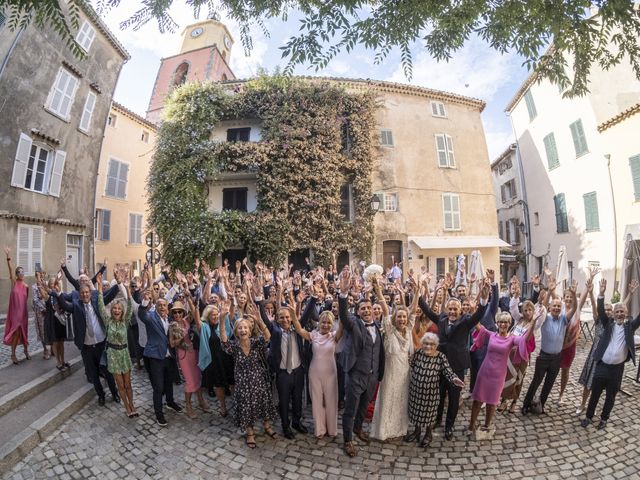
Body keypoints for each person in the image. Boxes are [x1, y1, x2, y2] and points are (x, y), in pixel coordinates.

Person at [418, 276, 490, 440]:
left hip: (457, 366)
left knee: (454, 398)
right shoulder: (442, 319)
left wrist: (484, 299)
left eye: (454, 309)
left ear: (460, 311)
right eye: (450, 308)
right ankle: (437, 420)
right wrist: (418, 293)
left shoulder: (465, 321)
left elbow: (478, 314)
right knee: (439, 395)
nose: (451, 311)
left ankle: (449, 426)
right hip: (440, 364)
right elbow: (428, 311)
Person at [53, 272, 122, 406]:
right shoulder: (76, 305)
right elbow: (65, 306)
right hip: (87, 347)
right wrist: (59, 293)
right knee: (94, 375)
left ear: (90, 293)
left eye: (87, 292)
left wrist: (119, 283)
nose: (85, 294)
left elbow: (109, 295)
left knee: (108, 372)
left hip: (102, 344)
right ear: (79, 294)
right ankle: (101, 395)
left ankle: (115, 394)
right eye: (82, 293)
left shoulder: (97, 301)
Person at [338, 267, 385, 457]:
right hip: (356, 374)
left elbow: (379, 351)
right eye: (362, 308)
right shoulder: (353, 324)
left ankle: (358, 429)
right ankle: (348, 440)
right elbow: (342, 314)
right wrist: (343, 293)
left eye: (369, 308)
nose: (366, 311)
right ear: (358, 312)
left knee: (364, 407)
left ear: (374, 312)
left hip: (372, 375)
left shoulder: (378, 326)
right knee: (351, 409)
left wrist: (379, 373)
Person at [581, 279, 640, 430]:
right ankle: (588, 416)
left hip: (617, 370)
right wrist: (601, 293)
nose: (620, 313)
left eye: (622, 311)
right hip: (602, 366)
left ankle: (604, 419)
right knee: (595, 394)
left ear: (626, 314)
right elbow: (600, 310)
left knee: (611, 396)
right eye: (617, 312)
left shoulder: (630, 326)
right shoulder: (608, 324)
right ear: (613, 314)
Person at [220, 302, 278, 449]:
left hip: (258, 379)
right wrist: (222, 320)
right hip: (242, 381)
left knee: (263, 402)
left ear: (250, 330)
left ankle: (266, 425)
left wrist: (259, 320)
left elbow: (268, 336)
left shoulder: (255, 342)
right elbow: (224, 341)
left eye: (245, 327)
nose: (243, 330)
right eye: (240, 328)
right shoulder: (234, 346)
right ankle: (250, 432)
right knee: (246, 405)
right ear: (236, 331)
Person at [468, 312, 534, 437]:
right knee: (477, 400)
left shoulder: (512, 339)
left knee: (492, 402)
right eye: (500, 322)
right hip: (485, 372)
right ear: (497, 323)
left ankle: (487, 425)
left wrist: (534, 322)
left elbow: (525, 339)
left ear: (510, 324)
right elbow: (478, 326)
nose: (503, 324)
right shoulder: (491, 334)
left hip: (498, 376)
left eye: (506, 322)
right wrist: (474, 310)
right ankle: (471, 425)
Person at [370, 277, 417, 441]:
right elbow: (384, 308)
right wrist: (378, 291)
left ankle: (399, 429)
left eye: (404, 317)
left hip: (405, 371)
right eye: (399, 317)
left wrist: (417, 292)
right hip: (390, 371)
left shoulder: (409, 329)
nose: (402, 319)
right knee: (388, 399)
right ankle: (385, 431)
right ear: (394, 318)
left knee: (401, 400)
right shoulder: (389, 330)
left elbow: (414, 309)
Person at [521, 278, 577, 415]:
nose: (557, 308)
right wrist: (550, 291)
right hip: (544, 356)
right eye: (555, 306)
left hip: (557, 358)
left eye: (559, 306)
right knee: (536, 381)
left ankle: (541, 404)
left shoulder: (564, 319)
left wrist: (574, 295)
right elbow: (543, 308)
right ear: (551, 308)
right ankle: (526, 404)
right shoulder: (545, 318)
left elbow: (575, 308)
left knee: (549, 384)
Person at [264, 292, 314, 439]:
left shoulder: (298, 330)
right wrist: (260, 300)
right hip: (283, 373)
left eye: (287, 317)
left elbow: (306, 314)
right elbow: (266, 322)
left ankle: (296, 422)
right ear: (277, 320)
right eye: (282, 317)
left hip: (298, 371)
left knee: (297, 399)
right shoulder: (275, 331)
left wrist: (312, 298)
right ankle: (286, 426)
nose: (285, 320)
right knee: (284, 401)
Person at [405, 332, 463, 447]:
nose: (428, 346)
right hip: (415, 391)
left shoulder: (440, 357)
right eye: (425, 344)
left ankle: (428, 434)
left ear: (436, 345)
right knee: (416, 412)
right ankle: (417, 432)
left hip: (431, 394)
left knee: (429, 415)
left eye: (431, 344)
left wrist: (454, 378)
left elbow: (448, 371)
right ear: (422, 344)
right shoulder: (418, 353)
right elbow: (410, 364)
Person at [291, 305, 341, 438]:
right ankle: (319, 430)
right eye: (323, 322)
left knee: (331, 401)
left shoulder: (334, 336)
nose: (325, 325)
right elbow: (298, 329)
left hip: (331, 372)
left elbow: (343, 325)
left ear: (332, 324)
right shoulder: (313, 335)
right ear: (319, 322)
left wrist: (342, 304)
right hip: (314, 373)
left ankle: (332, 430)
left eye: (329, 322)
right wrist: (292, 312)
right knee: (317, 401)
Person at [138, 291, 183, 426]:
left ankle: (170, 402)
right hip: (156, 357)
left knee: (169, 382)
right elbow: (141, 314)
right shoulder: (151, 317)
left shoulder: (169, 319)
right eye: (160, 305)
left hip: (169, 357)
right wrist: (145, 302)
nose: (163, 307)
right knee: (158, 387)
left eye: (164, 305)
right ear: (155, 307)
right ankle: (159, 414)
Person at [96, 273, 137, 417]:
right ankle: (127, 408)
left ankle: (132, 405)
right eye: (115, 309)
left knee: (128, 384)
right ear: (112, 311)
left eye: (119, 309)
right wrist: (100, 287)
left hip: (124, 354)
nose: (117, 310)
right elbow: (101, 306)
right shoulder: (108, 322)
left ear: (122, 311)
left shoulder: (125, 322)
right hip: (113, 355)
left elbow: (131, 305)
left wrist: (126, 288)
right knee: (120, 385)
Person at [498, 298, 545, 413]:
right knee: (507, 377)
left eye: (530, 310)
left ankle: (514, 402)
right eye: (525, 310)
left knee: (518, 378)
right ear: (522, 311)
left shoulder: (534, 324)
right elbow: (512, 308)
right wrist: (515, 295)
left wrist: (545, 299)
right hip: (510, 355)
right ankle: (504, 400)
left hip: (522, 356)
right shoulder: (519, 320)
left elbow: (541, 316)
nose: (528, 312)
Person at [170, 293, 209, 419]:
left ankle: (201, 401)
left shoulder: (186, 321)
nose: (177, 315)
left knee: (197, 378)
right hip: (183, 355)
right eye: (175, 313)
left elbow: (194, 312)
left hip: (194, 353)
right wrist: (180, 339)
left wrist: (188, 298)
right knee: (190, 381)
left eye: (179, 312)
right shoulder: (172, 326)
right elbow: (172, 343)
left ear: (182, 312)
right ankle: (188, 406)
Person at [199, 304, 234, 417]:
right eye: (212, 315)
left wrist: (230, 305)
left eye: (216, 314)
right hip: (215, 361)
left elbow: (228, 334)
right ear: (208, 316)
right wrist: (194, 307)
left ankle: (237, 404)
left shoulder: (224, 323)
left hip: (227, 359)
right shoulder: (205, 327)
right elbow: (198, 321)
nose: (215, 317)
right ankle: (223, 407)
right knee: (218, 385)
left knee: (232, 383)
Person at [3, 247, 30, 364]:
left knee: (24, 331)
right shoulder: (14, 282)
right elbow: (9, 269)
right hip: (15, 313)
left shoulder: (26, 285)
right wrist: (8, 257)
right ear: (16, 274)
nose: (21, 273)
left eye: (23, 271)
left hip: (23, 312)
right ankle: (13, 355)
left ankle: (25, 350)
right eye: (19, 272)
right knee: (15, 332)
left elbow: (25, 299)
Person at [32, 271, 51, 359]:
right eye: (39, 275)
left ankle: (52, 348)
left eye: (43, 274)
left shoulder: (46, 284)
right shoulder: (34, 286)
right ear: (36, 276)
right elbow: (35, 300)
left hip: (48, 310)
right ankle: (45, 349)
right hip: (40, 311)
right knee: (42, 330)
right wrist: (43, 308)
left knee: (50, 329)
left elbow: (50, 295)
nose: (41, 276)